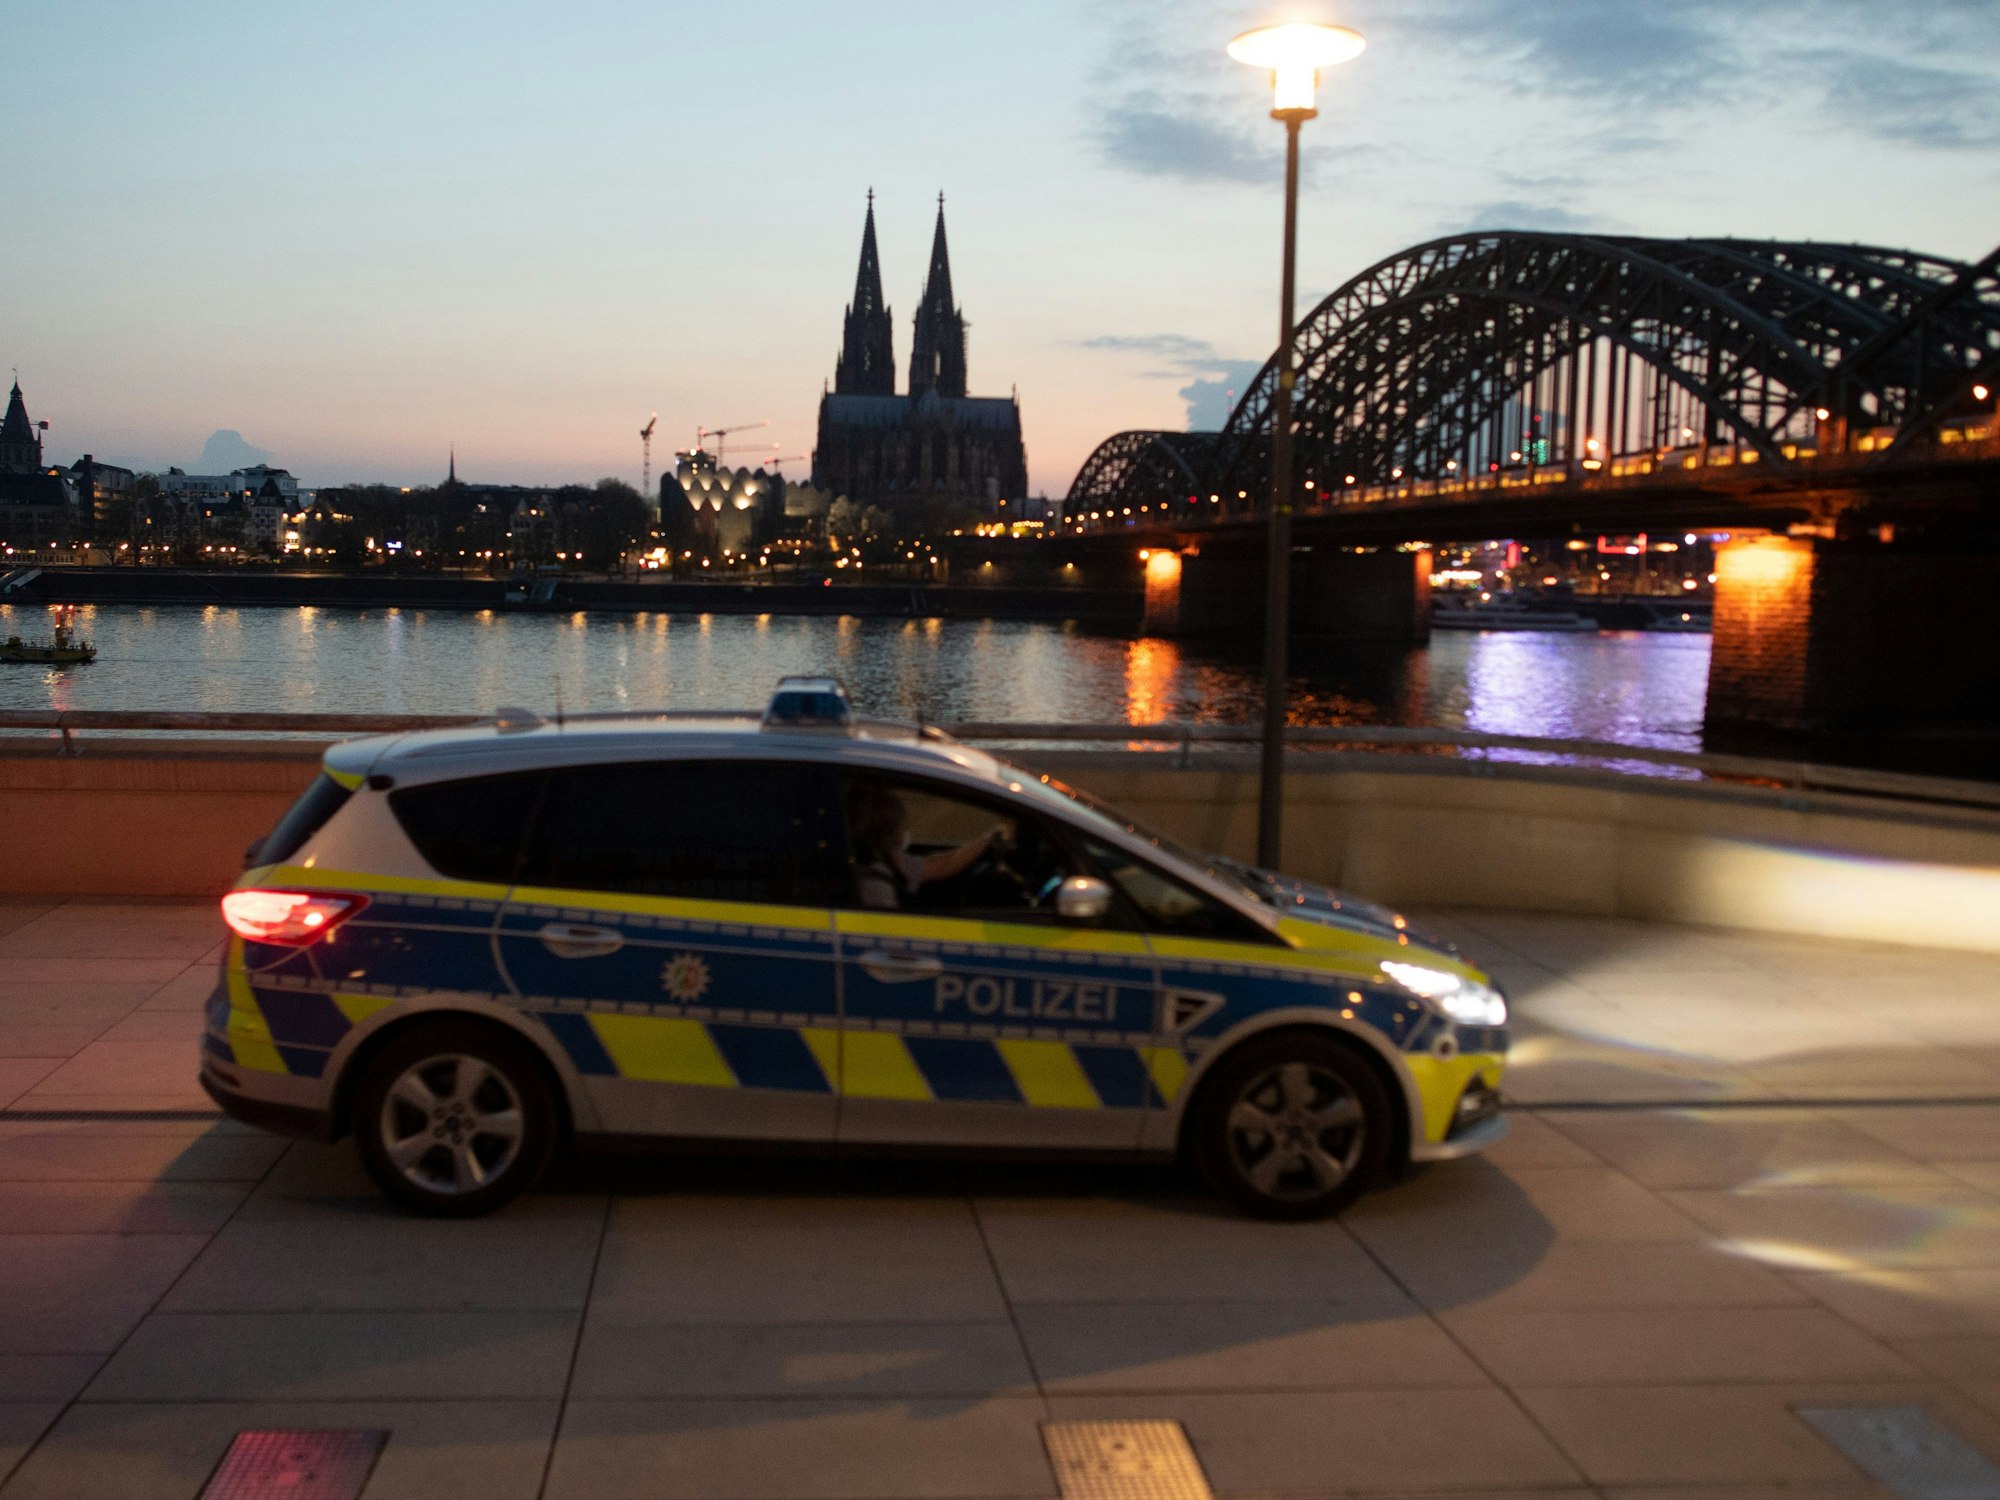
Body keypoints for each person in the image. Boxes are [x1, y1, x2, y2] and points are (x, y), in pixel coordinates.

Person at [849, 784, 1012, 910]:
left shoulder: (884, 862)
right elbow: (943, 865)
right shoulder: (875, 877)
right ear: (887, 831)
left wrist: (989, 838)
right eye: (900, 826)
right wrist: (992, 836)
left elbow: (940, 863)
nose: (904, 832)